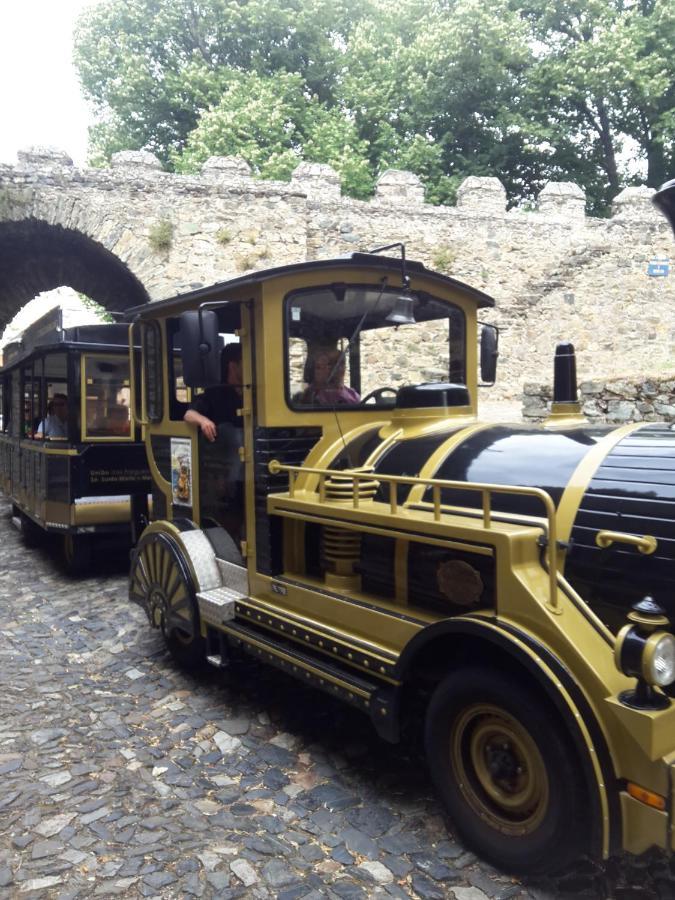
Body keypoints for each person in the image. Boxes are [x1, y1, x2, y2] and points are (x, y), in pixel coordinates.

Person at [183, 342, 242, 441]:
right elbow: (189, 414)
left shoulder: (254, 393)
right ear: (233, 366)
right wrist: (203, 421)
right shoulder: (214, 393)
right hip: (221, 452)